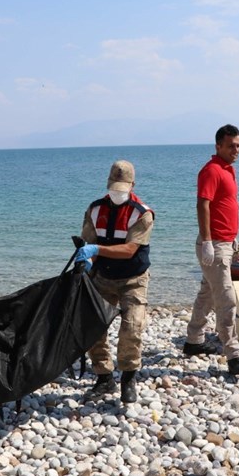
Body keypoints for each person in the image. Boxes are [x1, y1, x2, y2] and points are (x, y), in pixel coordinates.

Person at [74, 160, 154, 403]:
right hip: (102, 277)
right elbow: (89, 242)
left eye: (122, 189)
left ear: (132, 186)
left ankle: (128, 378)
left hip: (133, 279)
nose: (117, 194)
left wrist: (96, 248)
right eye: (113, 188)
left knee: (132, 326)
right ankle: (103, 377)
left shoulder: (142, 214)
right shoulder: (95, 209)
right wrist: (87, 259)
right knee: (94, 326)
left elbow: (130, 249)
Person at [183, 124, 239, 375]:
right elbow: (203, 205)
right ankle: (233, 355)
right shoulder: (211, 171)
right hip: (215, 244)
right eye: (231, 145)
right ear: (218, 146)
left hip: (226, 243)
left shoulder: (228, 170)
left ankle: (193, 341)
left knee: (207, 294)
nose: (236, 150)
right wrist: (209, 242)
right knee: (226, 300)